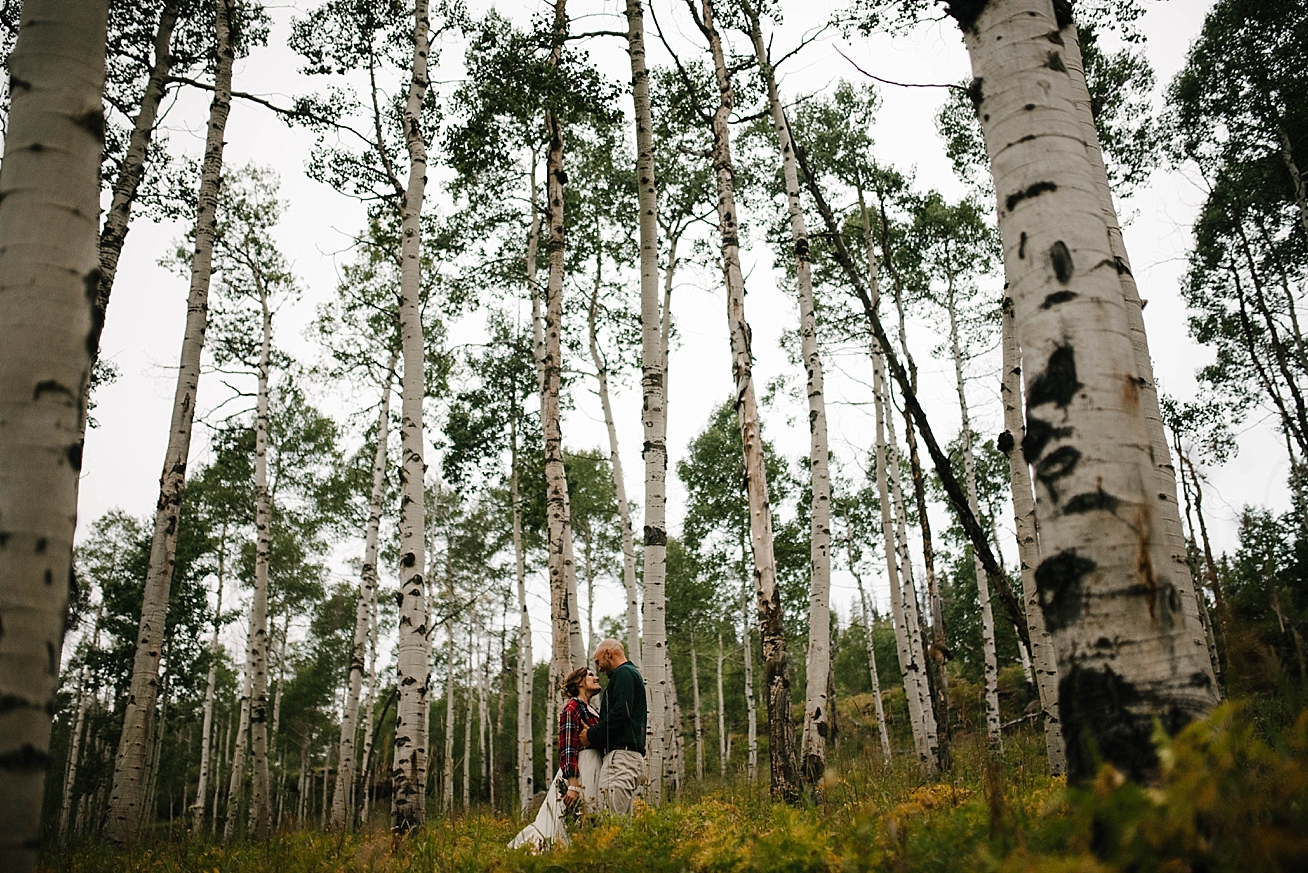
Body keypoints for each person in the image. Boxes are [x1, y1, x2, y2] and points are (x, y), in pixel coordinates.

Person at [508, 666, 602, 850]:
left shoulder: (593, 710)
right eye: (591, 675)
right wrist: (573, 785)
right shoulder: (572, 707)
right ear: (580, 682)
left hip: (593, 770)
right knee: (559, 821)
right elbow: (568, 748)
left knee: (586, 816)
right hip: (580, 772)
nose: (596, 677)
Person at [581, 638, 647, 817]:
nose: (599, 669)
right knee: (620, 825)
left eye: (598, 662)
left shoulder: (623, 674)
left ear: (608, 654)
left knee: (611, 822)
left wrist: (591, 735)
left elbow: (620, 713)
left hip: (621, 759)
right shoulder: (631, 674)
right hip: (628, 758)